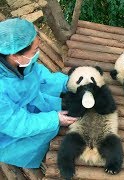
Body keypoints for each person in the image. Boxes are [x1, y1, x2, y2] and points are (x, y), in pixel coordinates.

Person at [0, 18, 77, 168]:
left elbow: (39, 75)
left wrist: (67, 82)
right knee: (48, 129)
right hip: (9, 134)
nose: (39, 50)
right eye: (35, 49)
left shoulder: (18, 60)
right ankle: (32, 158)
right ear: (15, 56)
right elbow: (17, 124)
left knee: (54, 99)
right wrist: (54, 119)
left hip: (26, 103)